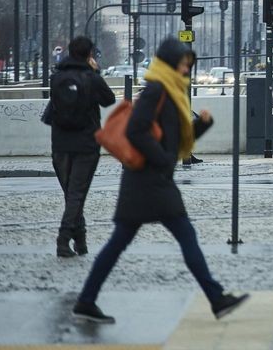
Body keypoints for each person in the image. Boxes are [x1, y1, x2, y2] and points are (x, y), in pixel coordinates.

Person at [72, 38, 248, 324]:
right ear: (169, 63)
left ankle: (86, 300)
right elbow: (137, 131)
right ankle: (216, 298)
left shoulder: (170, 90)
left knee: (119, 243)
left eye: (188, 65)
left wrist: (201, 126)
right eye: (182, 63)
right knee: (184, 236)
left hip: (147, 180)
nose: (186, 69)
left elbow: (171, 141)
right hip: (149, 180)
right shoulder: (156, 90)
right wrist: (164, 161)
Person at [44, 36, 117, 258]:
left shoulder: (56, 78)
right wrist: (95, 73)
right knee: (77, 194)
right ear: (89, 55)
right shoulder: (90, 78)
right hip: (86, 144)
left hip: (60, 145)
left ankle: (81, 240)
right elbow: (109, 100)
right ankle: (63, 240)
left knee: (72, 195)